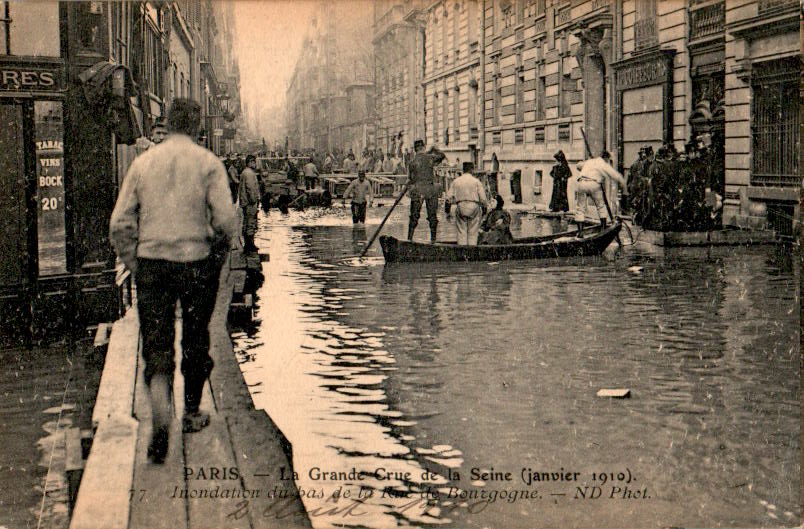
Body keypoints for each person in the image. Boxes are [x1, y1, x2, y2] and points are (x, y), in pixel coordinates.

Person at [109, 98, 237, 463]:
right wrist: (215, 258)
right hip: (196, 261)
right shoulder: (208, 164)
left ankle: (161, 409)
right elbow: (227, 222)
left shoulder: (142, 163)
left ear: (167, 123)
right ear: (197, 126)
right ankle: (192, 412)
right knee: (196, 337)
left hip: (152, 262)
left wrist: (136, 263)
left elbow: (119, 223)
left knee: (157, 340)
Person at [574, 150, 627, 237]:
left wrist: (587, 166)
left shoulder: (590, 161)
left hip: (581, 183)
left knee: (580, 208)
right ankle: (603, 230)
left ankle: (580, 232)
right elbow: (614, 175)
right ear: (606, 158)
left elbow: (578, 165)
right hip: (594, 184)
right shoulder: (603, 164)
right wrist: (623, 183)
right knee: (601, 206)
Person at [407, 139, 446, 242]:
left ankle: (409, 239)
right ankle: (433, 240)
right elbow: (442, 156)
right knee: (432, 216)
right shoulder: (430, 158)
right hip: (430, 189)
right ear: (423, 147)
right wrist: (434, 149)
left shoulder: (412, 162)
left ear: (415, 150)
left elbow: (411, 178)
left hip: (417, 190)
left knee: (414, 216)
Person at [446, 162, 487, 245]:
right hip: (474, 206)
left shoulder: (456, 181)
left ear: (463, 170)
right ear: (472, 170)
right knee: (473, 232)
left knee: (461, 231)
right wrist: (484, 211)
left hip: (461, 205)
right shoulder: (476, 181)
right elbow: (483, 199)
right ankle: (471, 252)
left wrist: (447, 212)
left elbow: (448, 198)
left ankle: (462, 252)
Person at [240, 154, 260, 252]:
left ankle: (248, 244)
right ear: (250, 162)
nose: (255, 164)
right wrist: (253, 200)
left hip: (245, 202)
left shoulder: (245, 172)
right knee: (250, 223)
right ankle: (250, 245)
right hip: (249, 203)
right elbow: (250, 188)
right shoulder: (249, 173)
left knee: (247, 222)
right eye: (254, 162)